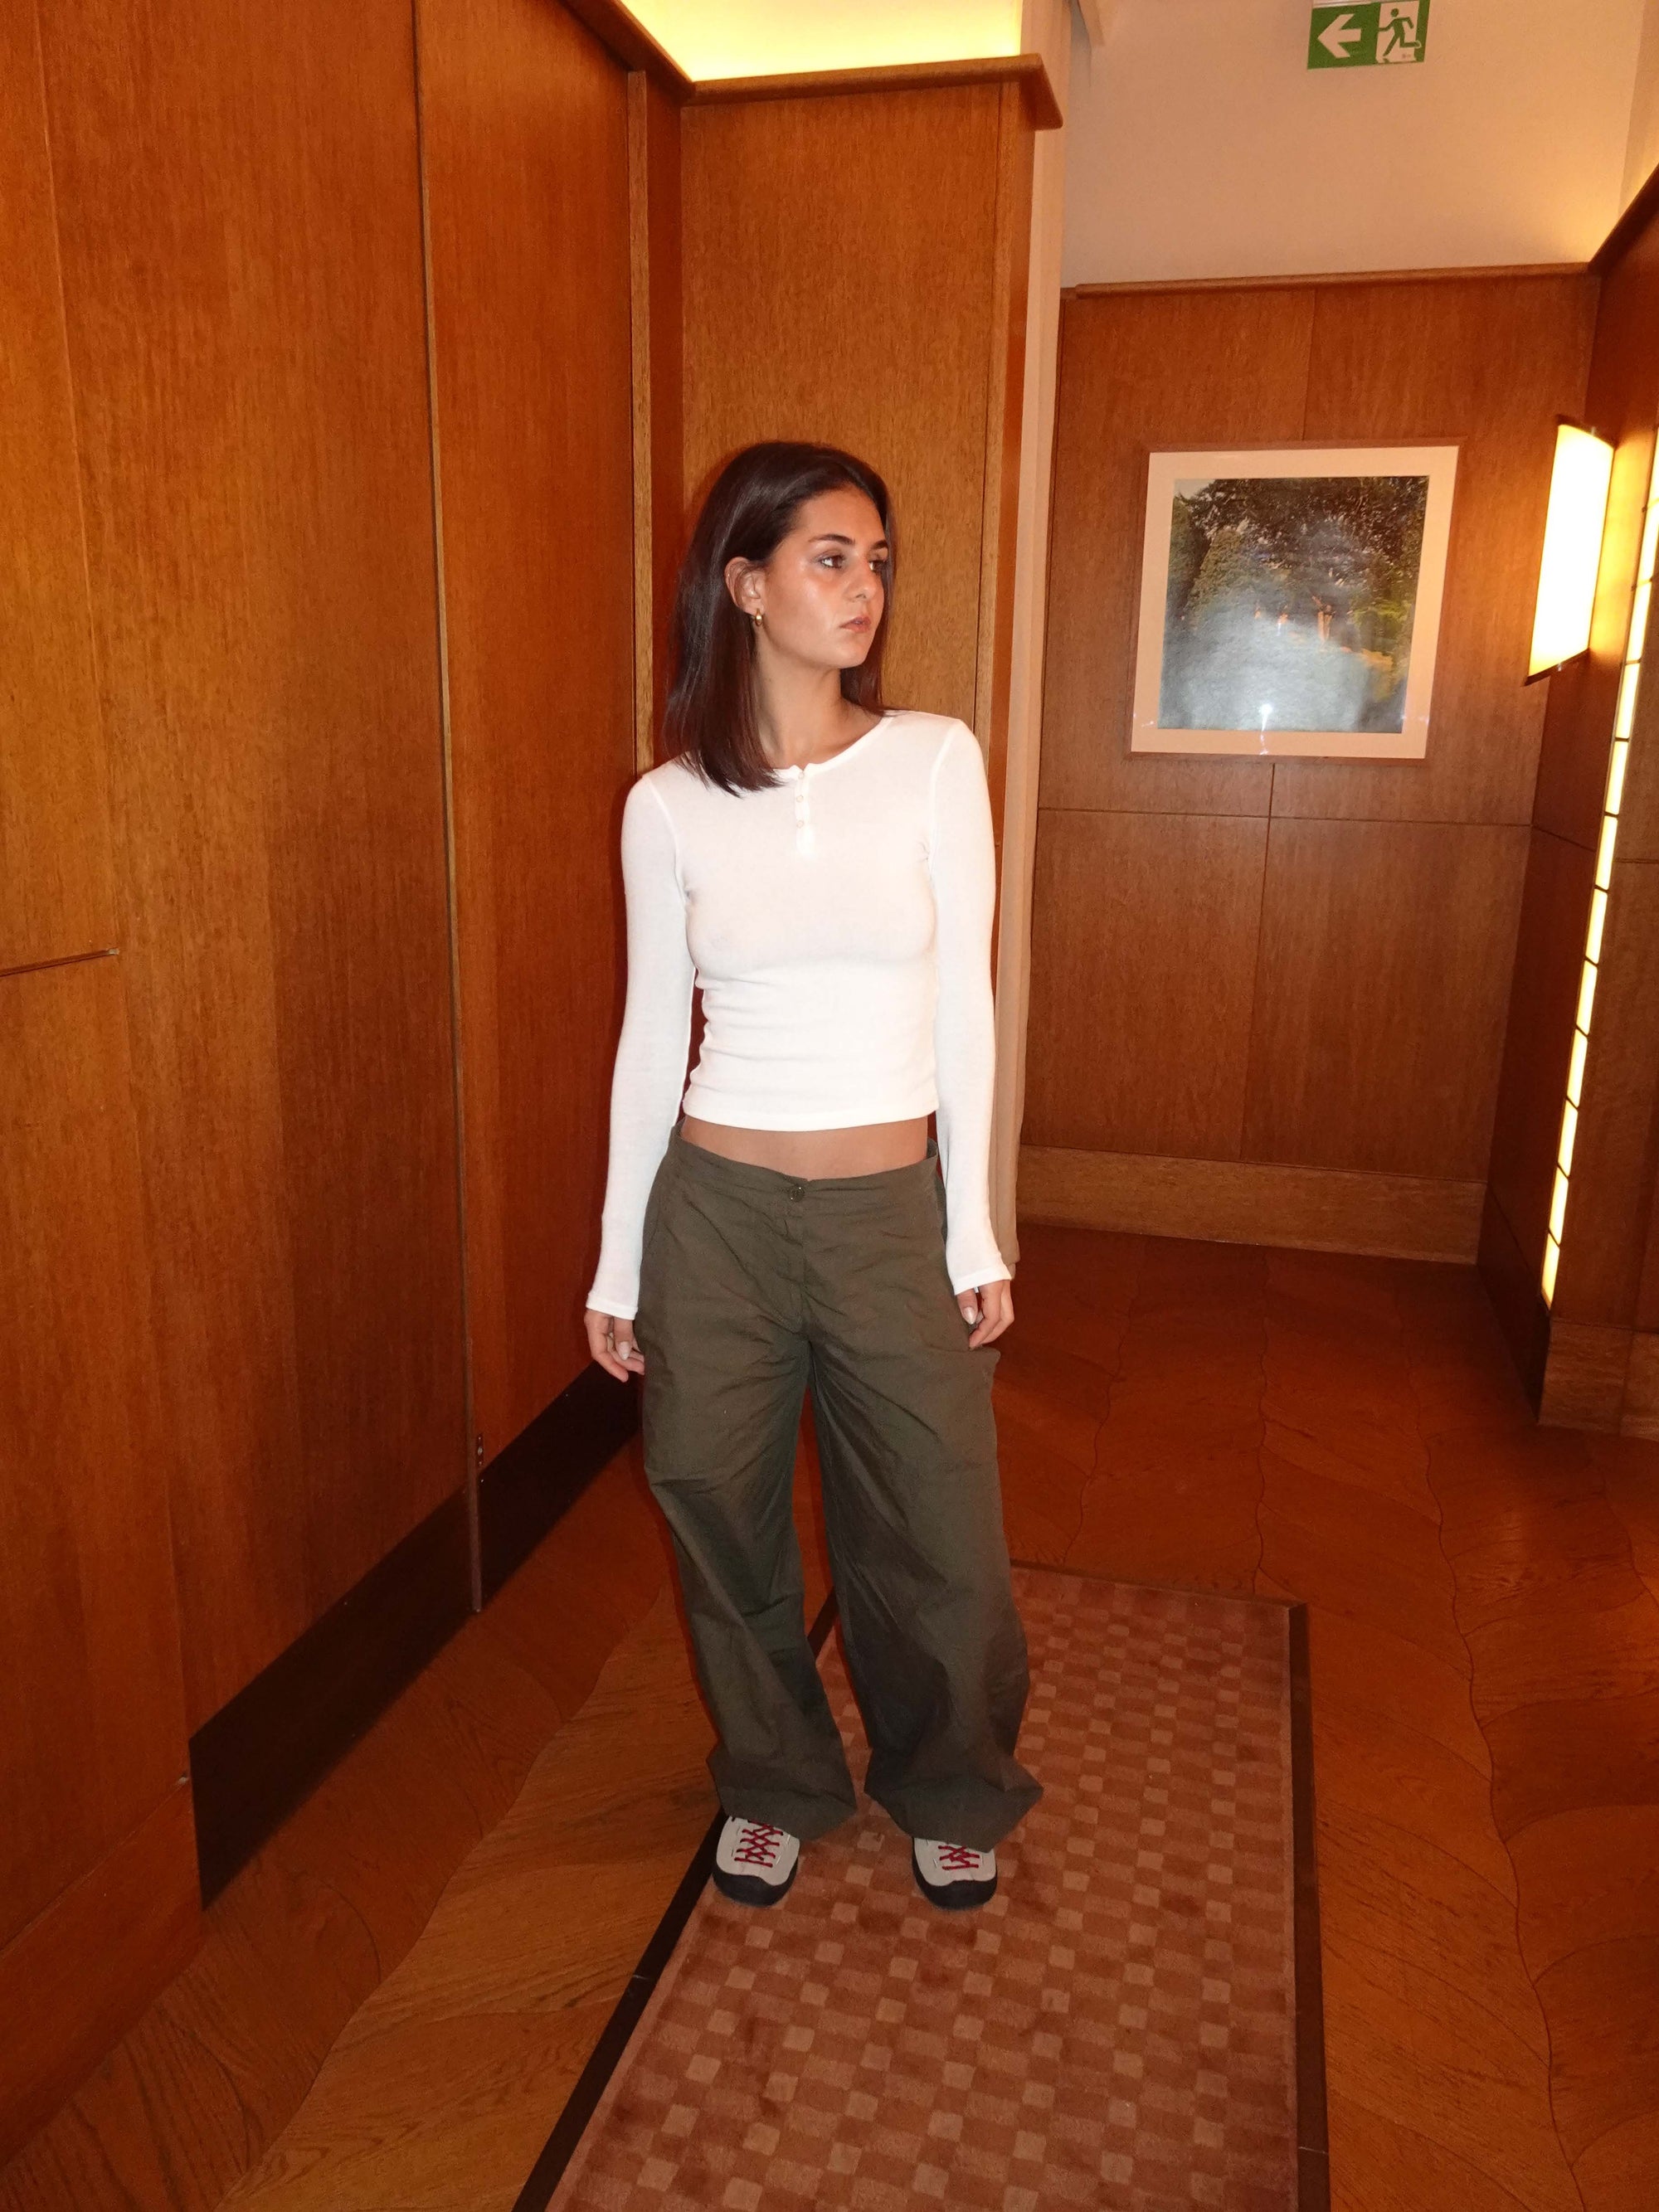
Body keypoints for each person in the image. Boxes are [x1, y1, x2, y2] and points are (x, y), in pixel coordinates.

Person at [583, 440, 1042, 1915]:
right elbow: (650, 1040)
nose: (864, 588)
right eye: (831, 558)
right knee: (715, 1508)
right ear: (746, 584)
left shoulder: (934, 760)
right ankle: (778, 1778)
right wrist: (619, 1261)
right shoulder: (667, 805)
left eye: (877, 562)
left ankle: (951, 1780)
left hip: (889, 1210)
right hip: (715, 1216)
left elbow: (967, 1008)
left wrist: (975, 1226)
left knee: (936, 1525)